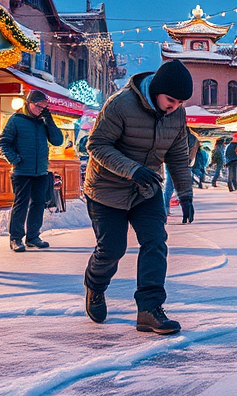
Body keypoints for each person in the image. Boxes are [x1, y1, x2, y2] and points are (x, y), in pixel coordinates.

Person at [82, 59, 194, 334]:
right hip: (106, 189)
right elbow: (96, 144)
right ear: (156, 90)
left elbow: (178, 156)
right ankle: (95, 286)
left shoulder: (177, 114)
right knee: (113, 249)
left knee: (155, 242)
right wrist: (133, 170)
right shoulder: (120, 104)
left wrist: (186, 194)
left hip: (146, 190)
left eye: (180, 102)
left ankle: (149, 309)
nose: (175, 106)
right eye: (171, 100)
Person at [0, 90, 64, 252]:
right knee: (20, 204)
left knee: (38, 203)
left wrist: (49, 120)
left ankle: (33, 236)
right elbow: (3, 143)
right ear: (29, 103)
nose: (41, 108)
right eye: (38, 105)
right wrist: (15, 160)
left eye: (44, 106)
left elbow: (57, 141)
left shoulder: (43, 122)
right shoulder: (16, 120)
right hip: (22, 171)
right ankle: (16, 238)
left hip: (41, 171)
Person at [164, 131, 198, 219]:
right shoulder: (194, 139)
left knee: (168, 188)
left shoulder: (172, 136)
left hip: (172, 164)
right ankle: (188, 214)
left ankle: (165, 212)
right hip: (185, 165)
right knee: (184, 190)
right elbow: (193, 153)